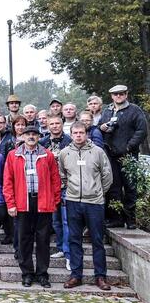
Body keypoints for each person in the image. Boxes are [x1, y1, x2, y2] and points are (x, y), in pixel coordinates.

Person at [3, 126, 61, 288]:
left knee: (43, 240)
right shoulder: (13, 155)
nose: (31, 137)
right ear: (22, 137)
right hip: (22, 202)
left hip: (43, 202)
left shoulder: (47, 155)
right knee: (24, 239)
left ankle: (42, 274)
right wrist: (11, 203)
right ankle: (27, 273)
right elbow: (7, 181)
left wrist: (55, 201)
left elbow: (55, 179)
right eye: (28, 134)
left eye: (34, 134)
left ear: (38, 137)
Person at [59, 122, 114, 290]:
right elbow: (63, 175)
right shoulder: (65, 153)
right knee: (74, 239)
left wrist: (97, 192)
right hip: (73, 201)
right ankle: (76, 275)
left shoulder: (97, 152)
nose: (78, 135)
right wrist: (71, 191)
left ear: (86, 133)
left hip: (94, 203)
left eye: (81, 132)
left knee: (97, 240)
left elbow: (107, 176)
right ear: (71, 133)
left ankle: (100, 276)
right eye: (75, 133)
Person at [98, 84, 148, 229]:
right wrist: (102, 127)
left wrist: (129, 146)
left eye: (121, 94)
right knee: (113, 188)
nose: (118, 96)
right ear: (111, 96)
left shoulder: (134, 110)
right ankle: (116, 219)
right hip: (110, 154)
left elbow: (142, 131)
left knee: (130, 186)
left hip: (128, 155)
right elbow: (101, 125)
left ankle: (131, 219)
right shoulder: (107, 110)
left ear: (126, 94)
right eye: (115, 94)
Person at [41, 114, 72, 265]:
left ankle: (68, 252)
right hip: (49, 187)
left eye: (57, 123)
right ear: (47, 125)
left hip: (66, 186)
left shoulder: (70, 141)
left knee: (67, 220)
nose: (54, 126)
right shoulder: (42, 143)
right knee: (56, 221)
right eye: (51, 123)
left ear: (62, 124)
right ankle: (60, 247)